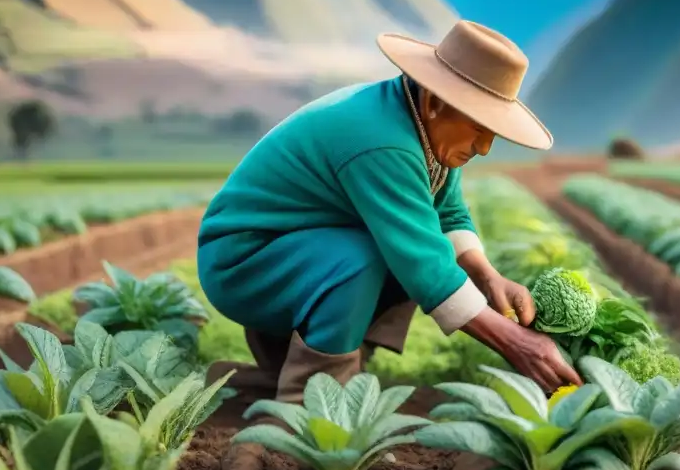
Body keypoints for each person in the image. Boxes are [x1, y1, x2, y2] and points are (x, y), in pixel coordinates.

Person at [197, 20, 581, 402]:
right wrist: (515, 341)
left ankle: (309, 367)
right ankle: (310, 400)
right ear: (434, 102)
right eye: (479, 129)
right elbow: (424, 265)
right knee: (372, 255)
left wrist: (488, 275)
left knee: (410, 247)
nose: (484, 148)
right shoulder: (384, 143)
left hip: (295, 254)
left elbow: (447, 214)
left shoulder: (423, 128)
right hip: (244, 263)